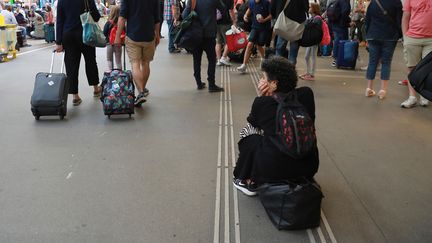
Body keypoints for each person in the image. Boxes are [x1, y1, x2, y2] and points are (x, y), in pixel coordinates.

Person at [233, 56, 319, 196]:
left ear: (273, 84)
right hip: (309, 167)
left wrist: (263, 97)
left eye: (263, 78)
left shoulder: (262, 103)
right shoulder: (306, 95)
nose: (261, 80)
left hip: (273, 171)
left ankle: (246, 180)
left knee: (249, 132)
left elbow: (254, 123)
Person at [55, 0, 102, 106]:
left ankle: (75, 96)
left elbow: (60, 21)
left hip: (68, 35)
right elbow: (96, 16)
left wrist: (58, 42)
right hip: (86, 34)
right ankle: (96, 88)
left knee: (71, 66)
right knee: (90, 61)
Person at [114, 0, 161, 106]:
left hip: (133, 36)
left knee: (135, 64)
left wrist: (117, 36)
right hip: (149, 36)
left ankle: (140, 92)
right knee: (146, 63)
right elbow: (157, 19)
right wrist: (157, 35)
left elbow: (122, 17)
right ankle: (142, 90)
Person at [182, 0, 225, 92]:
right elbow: (223, 9)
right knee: (212, 60)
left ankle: (198, 83)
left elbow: (184, 15)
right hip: (209, 35)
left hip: (196, 34)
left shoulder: (193, 0)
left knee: (196, 59)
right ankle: (211, 84)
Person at [363, 0, 401, 100]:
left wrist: (367, 35)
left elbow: (367, 20)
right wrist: (399, 35)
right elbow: (399, 21)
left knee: (372, 62)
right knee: (386, 62)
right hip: (390, 36)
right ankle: (383, 90)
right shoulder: (396, 2)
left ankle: (369, 88)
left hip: (373, 35)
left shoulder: (373, 2)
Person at [400, 0, 432, 108]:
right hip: (412, 38)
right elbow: (405, 17)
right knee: (412, 69)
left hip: (431, 40)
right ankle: (412, 97)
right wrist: (405, 38)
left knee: (428, 70)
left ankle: (424, 96)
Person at [237, 0, 272, 73]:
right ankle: (244, 65)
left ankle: (263, 59)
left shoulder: (266, 3)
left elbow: (271, 15)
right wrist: (245, 16)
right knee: (249, 44)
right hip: (254, 27)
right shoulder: (251, 2)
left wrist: (264, 20)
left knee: (259, 46)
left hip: (264, 28)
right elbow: (249, 9)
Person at [272, 0, 309, 65]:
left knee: (279, 49)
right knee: (293, 52)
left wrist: (276, 16)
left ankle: (277, 70)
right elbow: (306, 8)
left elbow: (272, 7)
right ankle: (290, 72)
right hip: (297, 25)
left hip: (283, 24)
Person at [299, 3, 322, 81]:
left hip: (314, 40)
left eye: (310, 7)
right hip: (311, 40)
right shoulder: (313, 17)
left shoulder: (317, 18)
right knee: (307, 57)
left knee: (313, 57)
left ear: (314, 9)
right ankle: (308, 72)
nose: (308, 8)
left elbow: (316, 29)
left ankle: (312, 74)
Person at [327, 0, 351, 67]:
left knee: (337, 41)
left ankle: (336, 58)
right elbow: (345, 12)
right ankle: (339, 59)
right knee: (342, 42)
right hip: (341, 25)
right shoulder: (345, 2)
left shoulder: (336, 1)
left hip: (334, 24)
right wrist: (347, 22)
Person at [215, 0, 235, 66]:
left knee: (218, 42)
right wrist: (234, 22)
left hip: (216, 22)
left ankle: (218, 60)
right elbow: (231, 11)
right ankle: (223, 58)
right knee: (229, 41)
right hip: (226, 23)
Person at [103, 5, 122, 70]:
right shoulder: (120, 23)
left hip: (109, 43)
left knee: (109, 59)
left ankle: (110, 72)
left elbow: (104, 33)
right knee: (118, 59)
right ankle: (120, 73)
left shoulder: (108, 23)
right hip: (118, 44)